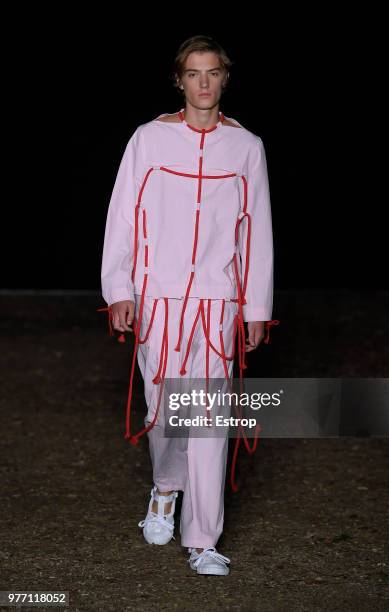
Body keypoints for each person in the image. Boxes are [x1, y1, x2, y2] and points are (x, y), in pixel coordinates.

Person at [99, 35, 275, 576]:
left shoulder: (247, 148)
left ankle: (203, 540)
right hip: (161, 301)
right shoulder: (149, 140)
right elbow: (123, 216)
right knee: (165, 413)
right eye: (193, 73)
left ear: (225, 78)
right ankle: (164, 490)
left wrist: (255, 307)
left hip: (217, 303)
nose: (203, 83)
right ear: (179, 79)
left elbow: (257, 232)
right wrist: (119, 290)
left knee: (209, 419)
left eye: (213, 72)